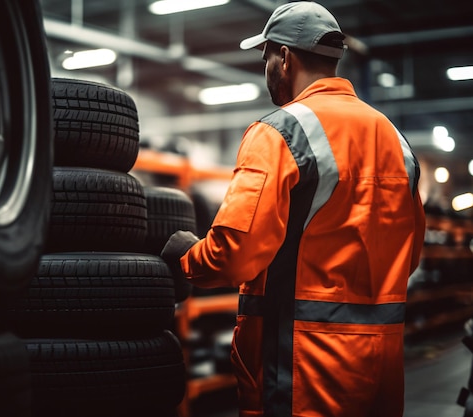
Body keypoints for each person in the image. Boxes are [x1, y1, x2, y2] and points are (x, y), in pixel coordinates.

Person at [160, 2, 426, 416]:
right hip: (380, 372)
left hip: (303, 372)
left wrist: (187, 257)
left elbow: (235, 253)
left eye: (265, 56)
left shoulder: (280, 132)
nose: (266, 68)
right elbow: (407, 258)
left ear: (283, 57)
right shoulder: (397, 142)